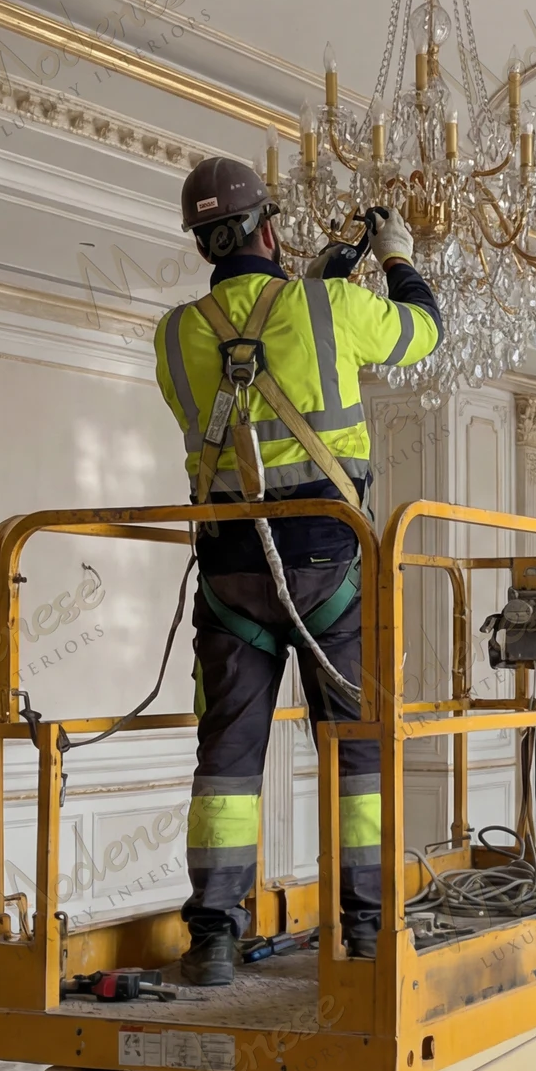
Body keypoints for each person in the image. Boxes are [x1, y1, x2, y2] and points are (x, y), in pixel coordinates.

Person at [154, 156, 442, 983]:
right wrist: (395, 257)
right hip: (327, 564)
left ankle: (212, 935)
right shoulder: (333, 307)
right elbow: (424, 333)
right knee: (354, 753)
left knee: (227, 761)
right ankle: (364, 929)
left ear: (204, 240)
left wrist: (303, 291)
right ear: (269, 224)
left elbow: (239, 376)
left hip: (230, 571)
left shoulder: (172, 334)